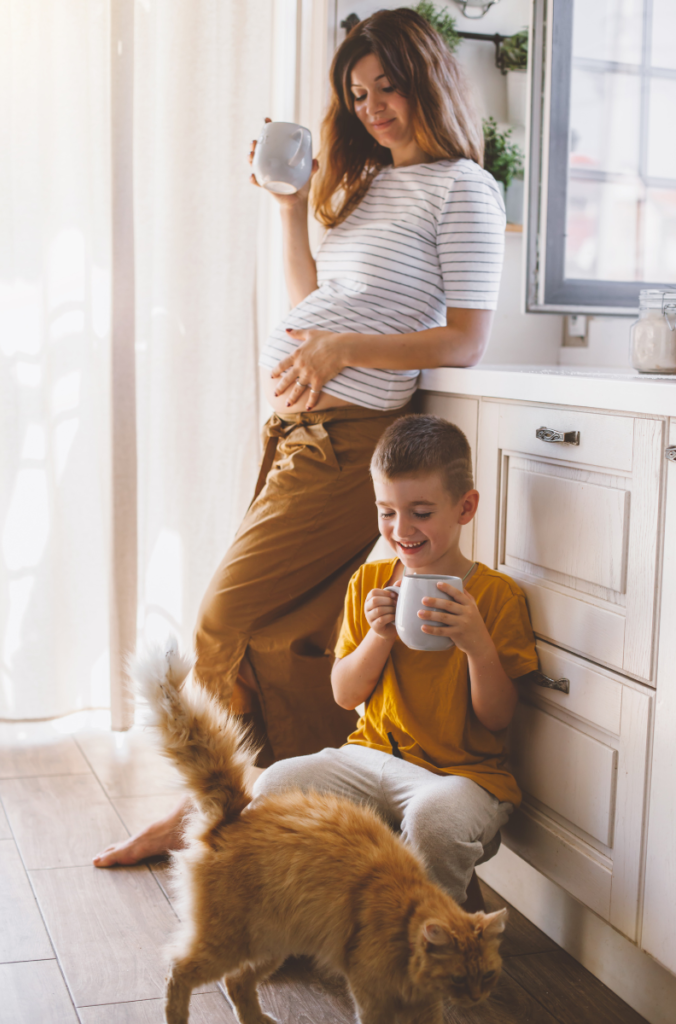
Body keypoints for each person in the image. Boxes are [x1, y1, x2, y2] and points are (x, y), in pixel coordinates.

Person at [94, 7, 506, 868]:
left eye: (386, 85)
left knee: (221, 616)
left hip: (349, 436)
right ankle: (255, 820)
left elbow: (465, 338)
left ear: (426, 75)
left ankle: (211, 813)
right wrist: (289, 211)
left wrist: (341, 348)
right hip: (297, 428)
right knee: (281, 642)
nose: (372, 106)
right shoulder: (369, 186)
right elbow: (315, 298)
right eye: (357, 95)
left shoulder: (463, 187)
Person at [253, 415, 538, 907]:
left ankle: (431, 946)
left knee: (435, 819)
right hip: (370, 758)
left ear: (465, 508)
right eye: (386, 512)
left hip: (463, 776)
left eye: (421, 512)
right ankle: (292, 920)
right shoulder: (370, 583)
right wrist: (379, 636)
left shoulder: (496, 597)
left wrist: (476, 643)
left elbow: (497, 718)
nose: (400, 530)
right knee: (274, 785)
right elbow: (345, 694)